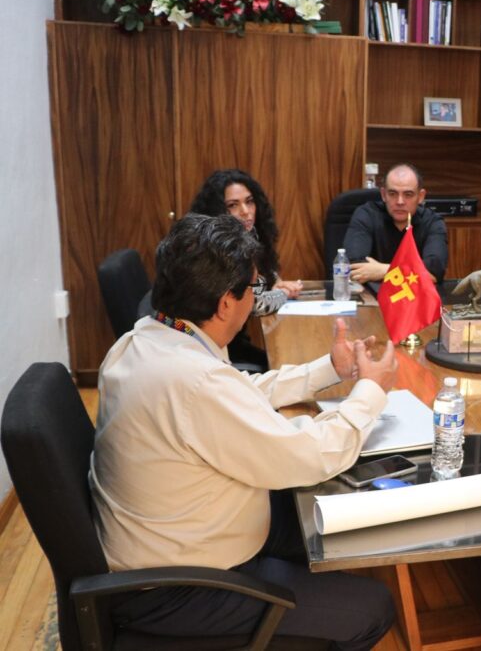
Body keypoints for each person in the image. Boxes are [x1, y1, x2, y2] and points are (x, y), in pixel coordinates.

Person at [89, 213, 399, 647]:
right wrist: (370, 391)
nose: (256, 297)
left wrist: (331, 368)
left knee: (322, 521)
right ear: (224, 304)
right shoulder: (195, 383)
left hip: (171, 543)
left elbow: (236, 390)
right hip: (181, 588)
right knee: (373, 608)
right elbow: (311, 456)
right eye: (253, 288)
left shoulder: (143, 339)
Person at [189, 169, 303, 316]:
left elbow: (268, 279)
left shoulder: (252, 235)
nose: (245, 211)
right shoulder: (211, 248)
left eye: (249, 202)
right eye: (232, 205)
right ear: (216, 211)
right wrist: (283, 293)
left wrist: (277, 284)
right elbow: (252, 305)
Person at [344, 163, 448, 285]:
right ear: (384, 195)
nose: (400, 201)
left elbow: (434, 272)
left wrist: (384, 270)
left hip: (415, 294)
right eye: (393, 194)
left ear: (420, 196)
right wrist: (414, 272)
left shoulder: (432, 222)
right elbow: (354, 267)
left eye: (408, 194)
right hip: (373, 293)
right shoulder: (366, 215)